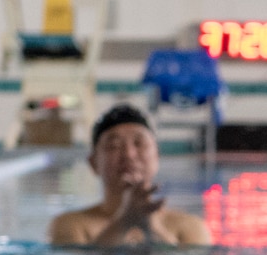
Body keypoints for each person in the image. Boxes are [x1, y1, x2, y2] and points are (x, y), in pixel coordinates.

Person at [47, 105, 211, 247]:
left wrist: (150, 227)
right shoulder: (71, 225)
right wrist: (124, 221)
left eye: (139, 144)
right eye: (114, 146)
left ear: (157, 156)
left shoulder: (190, 227)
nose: (129, 154)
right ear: (93, 163)